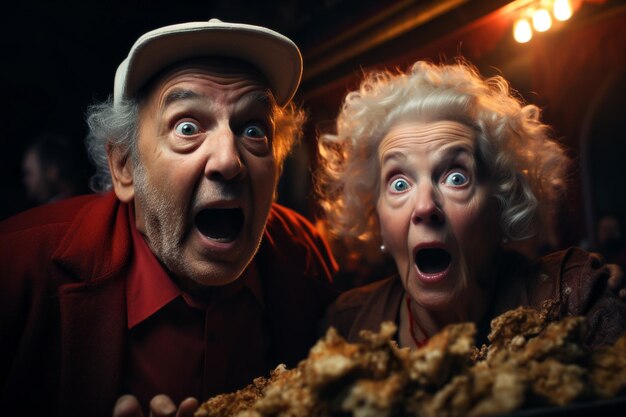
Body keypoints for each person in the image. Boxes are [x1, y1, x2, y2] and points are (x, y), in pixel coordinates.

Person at [0, 19, 338, 417]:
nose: (229, 161)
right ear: (124, 166)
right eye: (188, 126)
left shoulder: (306, 257)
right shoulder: (14, 265)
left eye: (253, 130)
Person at [316, 59, 626, 350]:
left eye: (455, 178)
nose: (425, 207)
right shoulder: (345, 327)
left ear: (500, 204)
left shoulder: (574, 299)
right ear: (377, 217)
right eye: (399, 184)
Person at [21, 132, 89, 205]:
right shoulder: (84, 202)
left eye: (29, 173)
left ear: (51, 172)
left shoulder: (55, 212)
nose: (24, 180)